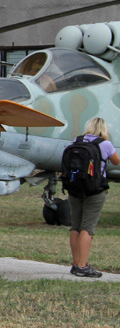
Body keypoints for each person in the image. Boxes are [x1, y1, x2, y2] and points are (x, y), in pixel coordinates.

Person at [69, 117, 120, 278]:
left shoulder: (76, 141)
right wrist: (107, 142)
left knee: (75, 226)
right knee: (87, 228)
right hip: (95, 190)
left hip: (74, 188)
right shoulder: (105, 144)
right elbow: (116, 162)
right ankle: (83, 266)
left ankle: (76, 264)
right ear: (104, 129)